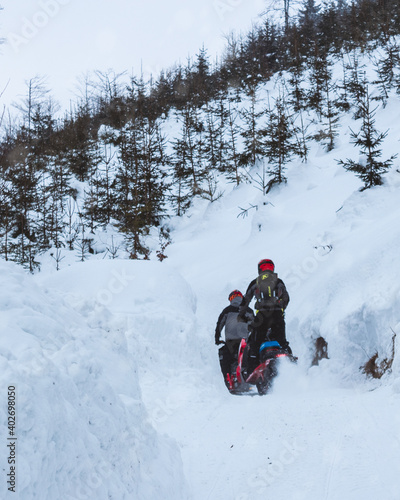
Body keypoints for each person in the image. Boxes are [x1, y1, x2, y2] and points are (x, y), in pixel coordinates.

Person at [238, 259, 290, 375]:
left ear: (259, 269)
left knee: (255, 343)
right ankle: (290, 362)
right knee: (283, 343)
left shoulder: (255, 282)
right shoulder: (279, 281)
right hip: (277, 316)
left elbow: (245, 301)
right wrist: (281, 309)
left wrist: (241, 315)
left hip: (262, 316)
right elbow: (286, 298)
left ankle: (252, 370)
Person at [215, 290, 254, 389]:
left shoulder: (227, 310)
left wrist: (217, 338)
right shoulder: (248, 310)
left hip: (230, 341)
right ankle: (249, 377)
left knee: (225, 359)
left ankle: (228, 380)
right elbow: (254, 324)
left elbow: (219, 324)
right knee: (248, 358)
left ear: (231, 299)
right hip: (244, 341)